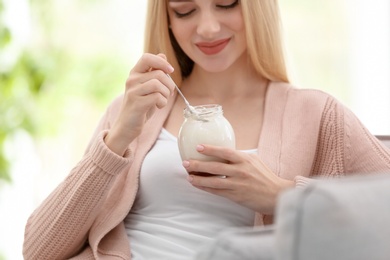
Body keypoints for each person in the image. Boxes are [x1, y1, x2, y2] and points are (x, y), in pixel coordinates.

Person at [23, 0, 390, 259]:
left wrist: (282, 196)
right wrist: (117, 137)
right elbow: (37, 251)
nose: (208, 27)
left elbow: (381, 215)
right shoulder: (133, 113)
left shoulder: (316, 113)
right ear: (166, 18)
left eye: (227, 4)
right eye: (185, 10)